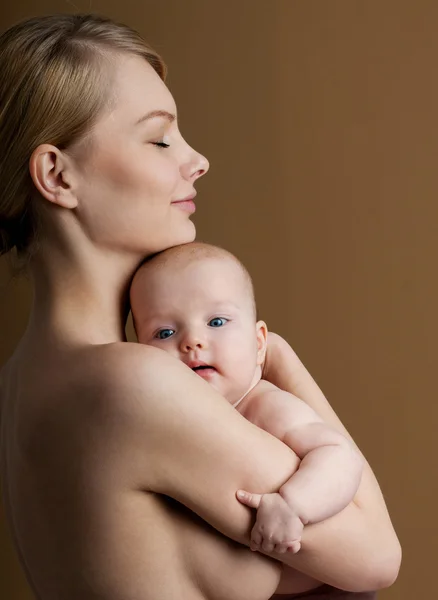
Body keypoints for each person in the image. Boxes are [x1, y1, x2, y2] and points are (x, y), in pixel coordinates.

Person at [0, 13, 401, 600]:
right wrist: (276, 357)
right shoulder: (132, 382)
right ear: (57, 176)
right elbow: (377, 555)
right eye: (161, 138)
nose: (198, 160)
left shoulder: (20, 378)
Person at [130, 241, 364, 558]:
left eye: (216, 322)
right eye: (165, 333)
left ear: (259, 343)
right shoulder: (165, 423)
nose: (192, 342)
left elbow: (339, 455)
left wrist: (293, 505)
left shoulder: (266, 406)